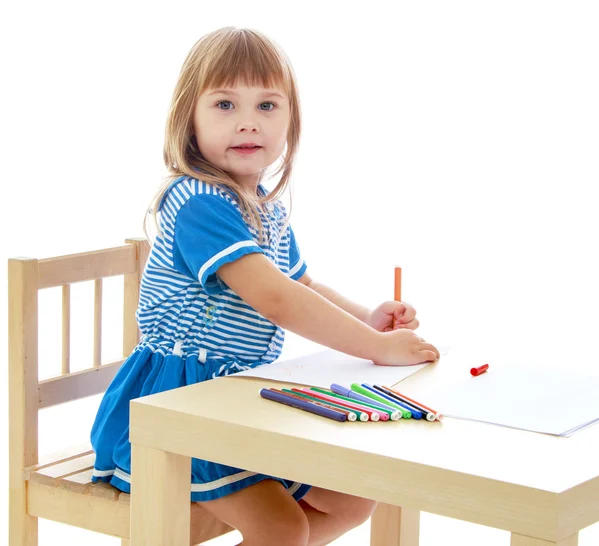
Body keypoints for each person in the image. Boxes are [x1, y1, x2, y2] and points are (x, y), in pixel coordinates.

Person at [91, 26, 439, 546]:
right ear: (190, 118)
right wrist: (377, 348)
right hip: (178, 407)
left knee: (352, 499)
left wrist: (367, 318)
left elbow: (302, 283)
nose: (249, 122)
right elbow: (275, 297)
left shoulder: (263, 207)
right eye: (226, 105)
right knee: (282, 527)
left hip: (238, 398)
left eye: (268, 106)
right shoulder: (197, 202)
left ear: (290, 122)